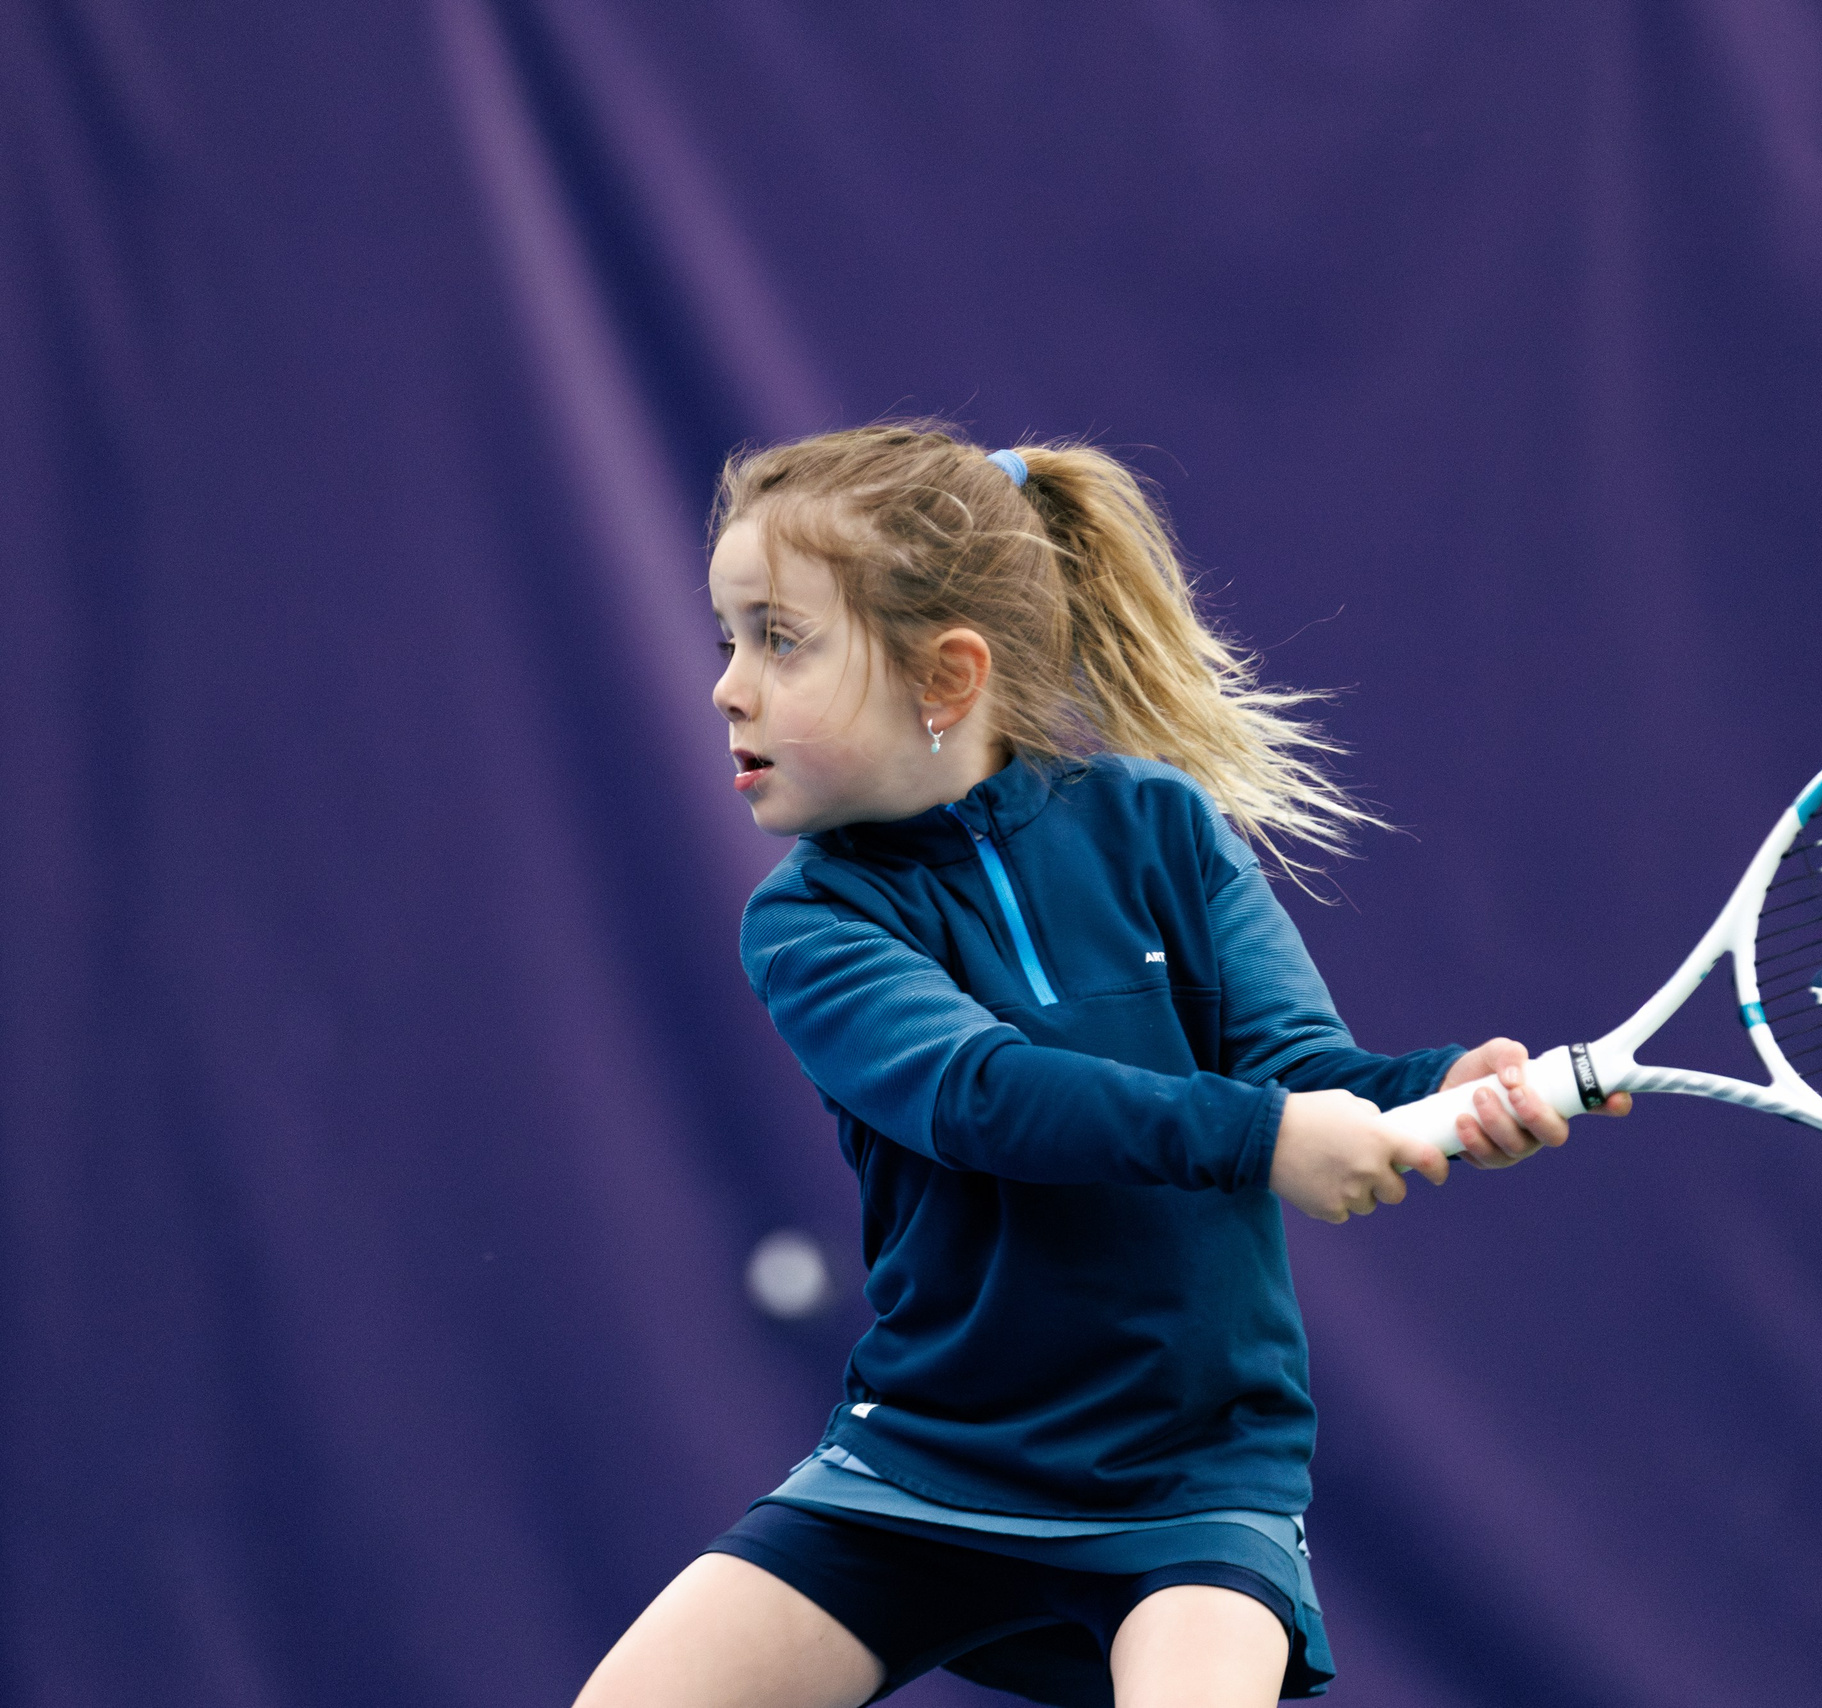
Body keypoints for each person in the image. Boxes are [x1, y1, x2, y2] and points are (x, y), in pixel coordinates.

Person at [574, 423, 1629, 1708]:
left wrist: (1447, 1092)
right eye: (727, 636)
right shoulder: (808, 921)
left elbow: (1304, 1070)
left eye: (779, 639)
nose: (729, 685)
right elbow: (981, 1096)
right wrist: (1269, 1139)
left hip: (1193, 1484)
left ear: (945, 677)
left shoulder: (1162, 828)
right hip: (924, 1462)